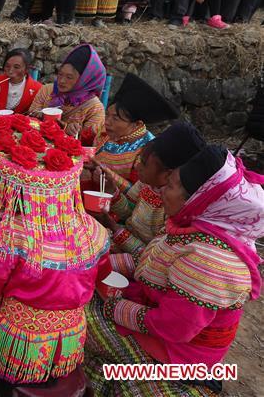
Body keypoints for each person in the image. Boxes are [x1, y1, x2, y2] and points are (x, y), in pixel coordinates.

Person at [84, 145, 264, 397]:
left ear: (196, 200)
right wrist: (102, 262)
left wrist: (115, 308)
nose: (161, 190)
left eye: (171, 186)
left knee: (83, 319)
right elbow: (156, 264)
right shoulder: (195, 227)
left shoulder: (208, 260)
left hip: (178, 356)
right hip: (166, 327)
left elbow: (173, 327)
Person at [0, 116, 108, 388]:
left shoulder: (11, 236)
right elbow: (97, 278)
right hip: (66, 346)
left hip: (15, 347)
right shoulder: (93, 231)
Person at [102, 121, 205, 259]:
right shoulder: (147, 184)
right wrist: (111, 190)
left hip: (142, 261)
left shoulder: (172, 205)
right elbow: (128, 211)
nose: (137, 166)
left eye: (144, 163)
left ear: (168, 174)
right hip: (120, 241)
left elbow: (149, 257)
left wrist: (113, 227)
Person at [86, 74, 178, 218]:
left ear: (137, 124)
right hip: (93, 192)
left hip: (118, 209)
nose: (107, 122)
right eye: (107, 115)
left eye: (115, 118)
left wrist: (110, 177)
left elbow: (137, 192)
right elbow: (84, 136)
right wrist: (70, 127)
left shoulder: (147, 150)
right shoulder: (106, 131)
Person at [28, 43, 106, 145]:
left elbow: (91, 143)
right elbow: (29, 118)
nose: (62, 81)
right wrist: (40, 116)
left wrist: (72, 132)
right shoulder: (47, 90)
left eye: (69, 77)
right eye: (60, 74)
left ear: (85, 79)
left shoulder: (94, 108)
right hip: (36, 144)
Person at [0, 48, 41, 118]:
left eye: (16, 67)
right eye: (7, 66)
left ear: (27, 69)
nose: (10, 71)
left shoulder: (37, 89)